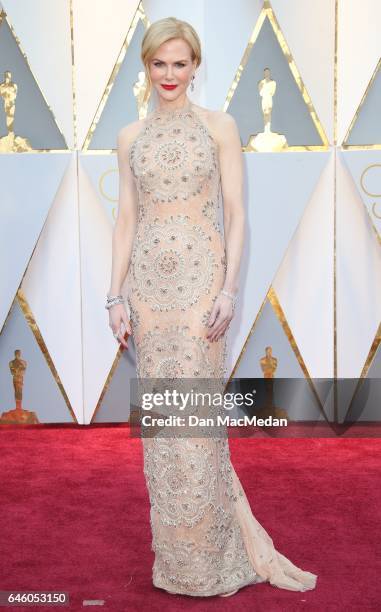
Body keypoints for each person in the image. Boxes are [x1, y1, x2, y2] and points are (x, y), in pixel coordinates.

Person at [106, 16, 318, 598]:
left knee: (197, 424)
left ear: (196, 66)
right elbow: (126, 218)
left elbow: (237, 212)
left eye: (180, 63)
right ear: (146, 68)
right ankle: (176, 562)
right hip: (149, 294)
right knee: (165, 426)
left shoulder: (220, 127)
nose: (169, 74)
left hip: (201, 288)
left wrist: (228, 290)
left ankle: (213, 558)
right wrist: (115, 294)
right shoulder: (129, 136)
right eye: (159, 64)